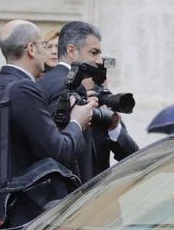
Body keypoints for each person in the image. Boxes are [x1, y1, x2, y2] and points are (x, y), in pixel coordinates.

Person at [0, 19, 94, 230]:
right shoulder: (23, 89)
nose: (49, 52)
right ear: (31, 49)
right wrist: (77, 121)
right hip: (21, 211)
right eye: (44, 45)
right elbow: (59, 150)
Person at [38, 21, 138, 181]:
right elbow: (56, 150)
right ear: (72, 51)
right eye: (94, 53)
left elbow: (133, 157)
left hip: (97, 196)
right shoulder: (63, 88)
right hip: (74, 197)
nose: (99, 60)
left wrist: (114, 127)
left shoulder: (101, 95)